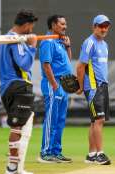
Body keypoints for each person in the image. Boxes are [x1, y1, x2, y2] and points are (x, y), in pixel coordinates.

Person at [0, 10, 38, 174]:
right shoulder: (16, 40)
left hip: (7, 87)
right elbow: (24, 64)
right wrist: (32, 46)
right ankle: (13, 168)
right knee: (18, 125)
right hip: (19, 85)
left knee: (24, 123)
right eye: (31, 26)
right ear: (27, 25)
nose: (32, 29)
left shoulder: (5, 38)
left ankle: (16, 166)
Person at [76, 15, 112, 165]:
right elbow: (80, 66)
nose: (103, 29)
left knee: (94, 121)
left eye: (106, 26)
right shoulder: (89, 43)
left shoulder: (104, 44)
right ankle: (100, 154)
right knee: (99, 119)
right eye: (100, 26)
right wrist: (80, 86)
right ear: (94, 27)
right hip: (93, 86)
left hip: (102, 85)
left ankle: (91, 155)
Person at [38, 15, 73, 163]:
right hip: (54, 83)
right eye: (62, 24)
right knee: (51, 119)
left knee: (60, 120)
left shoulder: (60, 42)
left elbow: (68, 62)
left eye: (65, 24)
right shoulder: (48, 41)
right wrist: (54, 84)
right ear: (53, 25)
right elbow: (46, 65)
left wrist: (68, 46)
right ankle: (45, 153)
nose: (65, 26)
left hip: (63, 84)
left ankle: (56, 152)